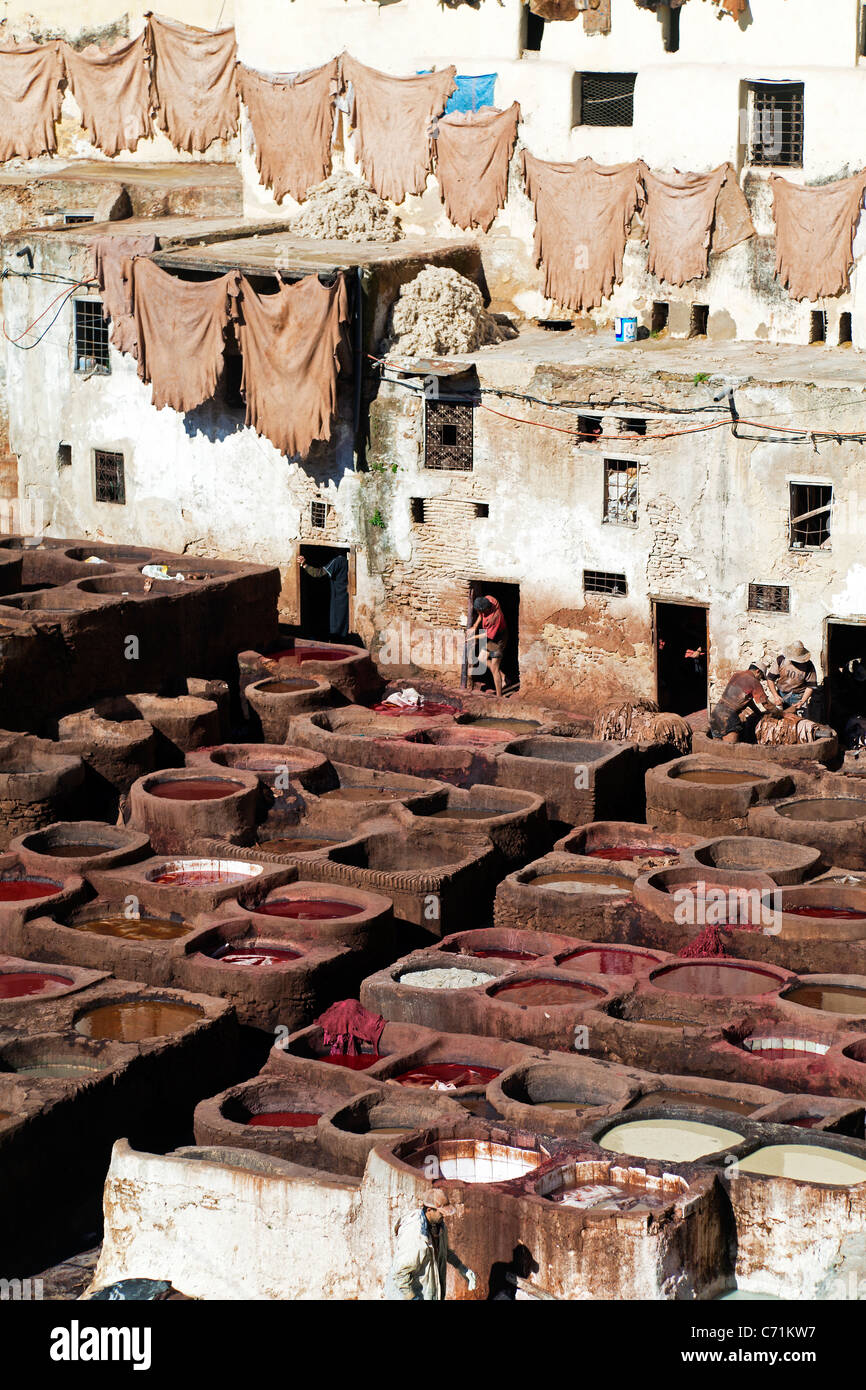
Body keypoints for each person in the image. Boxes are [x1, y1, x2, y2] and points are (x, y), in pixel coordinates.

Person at [385, 1190, 477, 1301]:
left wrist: (462, 1268)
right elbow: (400, 1274)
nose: (444, 1216)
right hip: (406, 1295)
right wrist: (412, 1298)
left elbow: (444, 1251)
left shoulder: (438, 1226)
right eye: (441, 1213)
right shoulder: (415, 1235)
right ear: (429, 1210)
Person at [708, 663, 768, 742]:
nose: (760, 680)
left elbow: (748, 702)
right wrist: (781, 714)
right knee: (730, 750)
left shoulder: (737, 675)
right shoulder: (754, 681)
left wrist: (759, 713)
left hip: (716, 713)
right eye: (761, 677)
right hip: (728, 717)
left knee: (717, 749)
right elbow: (766, 703)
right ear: (758, 671)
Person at [298, 552, 349, 640]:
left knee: (336, 622)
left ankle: (336, 640)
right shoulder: (347, 561)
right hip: (345, 596)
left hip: (338, 596)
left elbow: (318, 573)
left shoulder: (338, 561)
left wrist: (304, 565)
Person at [469, 595, 508, 698]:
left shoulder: (493, 619)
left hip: (498, 639)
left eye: (479, 611)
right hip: (490, 637)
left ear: (486, 609)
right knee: (481, 659)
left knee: (495, 669)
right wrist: (474, 626)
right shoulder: (489, 599)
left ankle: (499, 696)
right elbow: (480, 615)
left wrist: (473, 637)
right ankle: (503, 676)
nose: (478, 613)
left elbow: (486, 635)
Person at [766, 641, 818, 717]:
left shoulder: (808, 665)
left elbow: (810, 686)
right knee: (778, 719)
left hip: (798, 696)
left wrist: (802, 701)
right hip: (781, 694)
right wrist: (775, 696)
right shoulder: (781, 660)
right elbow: (770, 678)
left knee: (799, 720)